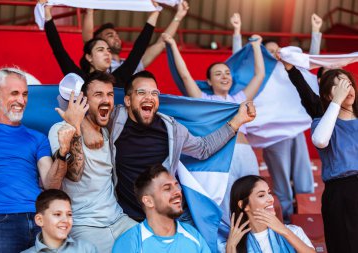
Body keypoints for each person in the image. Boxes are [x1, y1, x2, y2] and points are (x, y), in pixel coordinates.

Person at [81, 70, 257, 221]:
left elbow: (203, 149)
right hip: (127, 217)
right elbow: (77, 105)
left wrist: (238, 120)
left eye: (154, 93)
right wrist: (85, 125)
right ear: (128, 100)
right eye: (141, 92)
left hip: (167, 214)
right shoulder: (114, 119)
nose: (149, 97)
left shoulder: (171, 129)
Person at [162, 32, 264, 224]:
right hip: (224, 156)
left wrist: (257, 46)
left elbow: (260, 75)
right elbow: (184, 76)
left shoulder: (240, 98)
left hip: (246, 153)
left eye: (227, 73)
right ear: (209, 81)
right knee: (226, 198)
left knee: (254, 191)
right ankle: (227, 236)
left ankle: (255, 232)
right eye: (218, 74)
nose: (224, 77)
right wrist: (173, 44)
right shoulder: (205, 100)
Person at [232, 13, 324, 223]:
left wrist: (316, 32)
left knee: (304, 180)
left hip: (295, 131)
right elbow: (239, 65)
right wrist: (237, 33)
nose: (274, 54)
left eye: (277, 51)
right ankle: (288, 223)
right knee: (282, 184)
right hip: (272, 135)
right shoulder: (260, 74)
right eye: (270, 52)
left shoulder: (291, 71)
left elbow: (311, 64)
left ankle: (305, 219)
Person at [0, 68, 74, 253]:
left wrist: (62, 153)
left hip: (40, 219)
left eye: (25, 94)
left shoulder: (37, 138)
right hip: (0, 220)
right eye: (14, 93)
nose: (21, 101)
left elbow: (51, 184)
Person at [49, 71, 137, 252]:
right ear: (84, 101)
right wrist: (76, 125)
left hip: (119, 220)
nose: (106, 100)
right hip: (85, 225)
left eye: (110, 95)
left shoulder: (109, 131)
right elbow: (74, 174)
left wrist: (85, 124)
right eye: (98, 95)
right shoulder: (59, 130)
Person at [42, 2, 159, 87]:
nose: (107, 53)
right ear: (89, 57)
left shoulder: (118, 78)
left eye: (108, 50)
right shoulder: (79, 79)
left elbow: (138, 50)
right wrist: (47, 14)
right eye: (100, 49)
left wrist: (155, 13)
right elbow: (58, 49)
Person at [112, 164, 211, 253]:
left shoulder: (193, 235)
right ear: (148, 201)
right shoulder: (129, 242)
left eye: (177, 186)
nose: (177, 191)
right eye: (167, 188)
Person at [311, 69, 358, 253]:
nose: (346, 88)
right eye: (338, 85)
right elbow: (321, 140)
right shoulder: (321, 123)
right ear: (326, 94)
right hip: (341, 191)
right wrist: (337, 101)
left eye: (348, 83)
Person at [82, 1, 189, 72]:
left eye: (117, 35)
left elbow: (163, 42)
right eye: (110, 35)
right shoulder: (99, 63)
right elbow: (88, 40)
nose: (116, 37)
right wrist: (90, 9)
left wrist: (178, 16)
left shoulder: (133, 62)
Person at [225, 175, 315, 253]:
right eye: (261, 195)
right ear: (244, 205)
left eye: (269, 193)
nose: (271, 199)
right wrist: (231, 248)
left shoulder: (294, 231)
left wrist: (285, 231)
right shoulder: (233, 244)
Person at [21, 189, 98, 253]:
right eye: (57, 214)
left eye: (69, 214)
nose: (65, 220)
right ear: (40, 220)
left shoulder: (86, 249)